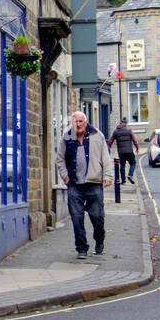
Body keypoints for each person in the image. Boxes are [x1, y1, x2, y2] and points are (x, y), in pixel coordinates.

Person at [55, 111, 114, 259]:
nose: (78, 124)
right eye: (75, 122)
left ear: (85, 123)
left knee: (97, 217)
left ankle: (99, 240)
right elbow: (60, 159)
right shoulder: (67, 137)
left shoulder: (97, 135)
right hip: (75, 184)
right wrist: (65, 176)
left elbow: (105, 157)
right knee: (76, 218)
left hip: (94, 183)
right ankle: (81, 248)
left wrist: (107, 176)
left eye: (81, 121)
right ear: (72, 123)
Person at [109, 118, 138, 184]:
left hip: (121, 152)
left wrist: (108, 149)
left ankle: (123, 181)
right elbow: (134, 140)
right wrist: (137, 148)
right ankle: (130, 175)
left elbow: (110, 141)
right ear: (125, 124)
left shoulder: (116, 131)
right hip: (129, 151)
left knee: (122, 165)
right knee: (133, 163)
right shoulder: (129, 130)